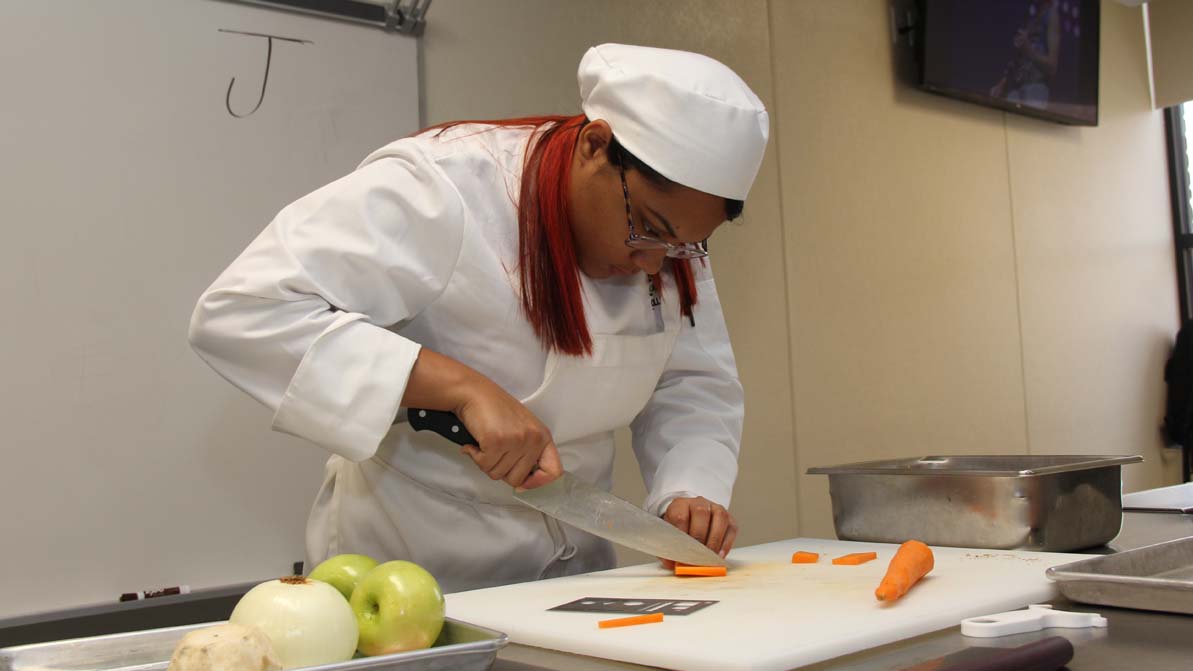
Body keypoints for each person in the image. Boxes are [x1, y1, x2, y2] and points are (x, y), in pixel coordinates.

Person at [188, 43, 769, 592]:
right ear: (595, 145)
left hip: (577, 579)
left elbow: (692, 381)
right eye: (648, 231)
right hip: (412, 574)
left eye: (680, 248)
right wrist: (459, 387)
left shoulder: (664, 244)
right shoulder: (442, 188)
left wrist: (689, 489)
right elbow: (243, 310)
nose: (651, 264)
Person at [989, 0, 1061, 107]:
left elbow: (1052, 67)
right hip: (1016, 89)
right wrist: (1002, 84)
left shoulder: (1052, 16)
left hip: (1035, 89)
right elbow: (1017, 58)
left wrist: (1029, 51)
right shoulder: (1031, 18)